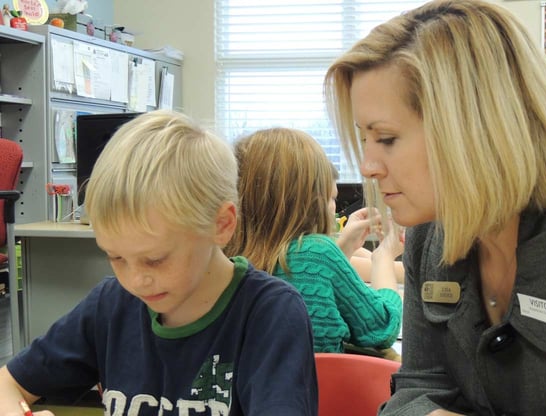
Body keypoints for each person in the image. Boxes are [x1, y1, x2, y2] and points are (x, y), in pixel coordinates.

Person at [324, 0, 546, 415]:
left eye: (385, 138)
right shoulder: (429, 237)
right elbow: (416, 389)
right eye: (363, 138)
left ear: (473, 130)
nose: (367, 166)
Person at [0, 110, 318, 416]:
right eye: (116, 257)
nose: (136, 280)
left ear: (221, 225)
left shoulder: (271, 314)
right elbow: (7, 385)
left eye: (155, 260)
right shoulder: (111, 305)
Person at [226, 127, 402, 356]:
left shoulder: (227, 256)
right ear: (307, 200)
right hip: (322, 390)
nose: (334, 208)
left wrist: (343, 249)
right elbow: (382, 327)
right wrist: (384, 257)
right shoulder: (318, 252)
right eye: (331, 198)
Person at [329, 165, 405, 284]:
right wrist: (385, 254)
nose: (334, 206)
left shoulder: (328, 241)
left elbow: (371, 260)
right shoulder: (315, 251)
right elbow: (398, 273)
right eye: (332, 198)